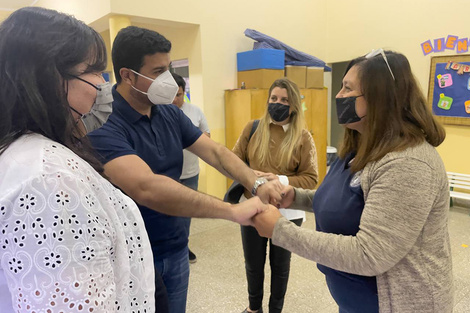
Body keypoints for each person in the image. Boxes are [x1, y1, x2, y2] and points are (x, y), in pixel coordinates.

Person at [87, 26, 281, 313]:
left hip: (176, 247)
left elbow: (214, 151)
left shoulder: (168, 112)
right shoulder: (103, 122)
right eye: (158, 70)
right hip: (132, 255)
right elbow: (146, 187)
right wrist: (231, 211)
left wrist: (256, 183)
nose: (167, 79)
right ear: (127, 75)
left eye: (169, 68)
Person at [252, 50, 453, 313]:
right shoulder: (360, 146)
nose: (338, 95)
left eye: (347, 89)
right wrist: (296, 197)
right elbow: (348, 200)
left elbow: (370, 254)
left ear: (379, 98)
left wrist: (282, 231)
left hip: (401, 303)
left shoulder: (408, 163)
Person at [0, 7, 157, 312]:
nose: (102, 84)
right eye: (94, 70)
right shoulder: (50, 178)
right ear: (50, 77)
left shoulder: (23, 154)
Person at [233, 78, 318, 313]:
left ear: (294, 106)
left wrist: (279, 180)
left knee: (280, 266)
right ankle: (254, 308)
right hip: (252, 207)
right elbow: (234, 162)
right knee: (253, 264)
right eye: (274, 99)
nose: (277, 104)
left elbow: (311, 179)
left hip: (287, 212)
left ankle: (275, 310)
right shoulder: (252, 128)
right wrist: (252, 177)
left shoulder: (303, 137)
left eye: (284, 100)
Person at [171, 72, 211, 264]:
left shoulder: (194, 111)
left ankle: (183, 247)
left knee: (186, 214)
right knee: (168, 213)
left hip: (190, 173)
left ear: (184, 93)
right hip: (168, 175)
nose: (175, 99)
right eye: (171, 94)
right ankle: (172, 247)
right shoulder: (159, 112)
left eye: (179, 95)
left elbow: (207, 136)